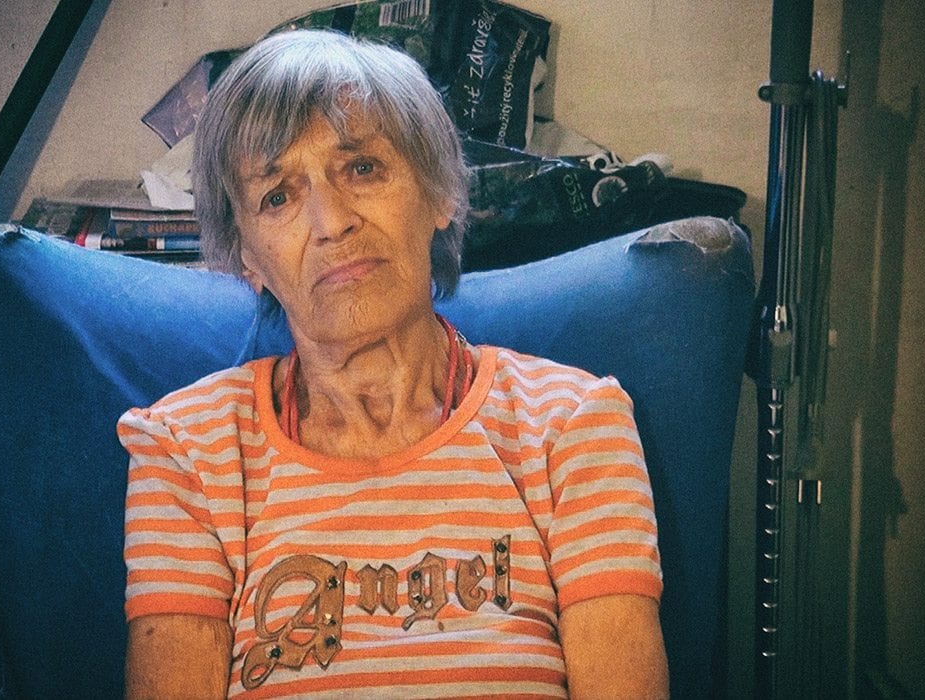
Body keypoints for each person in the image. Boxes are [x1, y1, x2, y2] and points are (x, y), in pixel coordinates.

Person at [118, 29, 667, 699]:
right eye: (278, 196)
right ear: (247, 258)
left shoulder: (572, 426)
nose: (332, 222)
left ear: (439, 194)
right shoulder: (187, 451)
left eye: (362, 168)